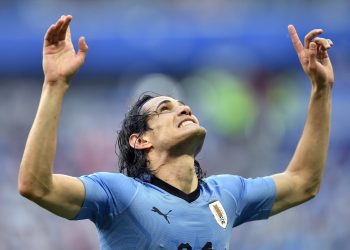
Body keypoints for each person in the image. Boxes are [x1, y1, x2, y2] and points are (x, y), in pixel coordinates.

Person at [18, 15, 334, 249]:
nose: (184, 109)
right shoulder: (118, 195)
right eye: (165, 108)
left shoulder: (226, 194)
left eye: (184, 105)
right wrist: (55, 84)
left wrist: (321, 90)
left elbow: (303, 182)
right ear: (140, 140)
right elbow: (36, 186)